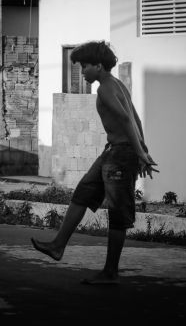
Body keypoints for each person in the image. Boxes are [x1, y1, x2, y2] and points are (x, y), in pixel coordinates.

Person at [31, 41, 158, 285]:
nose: (82, 71)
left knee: (118, 212)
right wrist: (143, 148)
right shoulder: (117, 84)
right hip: (112, 153)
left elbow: (124, 119)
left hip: (120, 155)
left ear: (99, 66)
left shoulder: (105, 89)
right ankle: (58, 246)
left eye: (85, 66)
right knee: (83, 193)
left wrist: (140, 152)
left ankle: (110, 273)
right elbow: (136, 118)